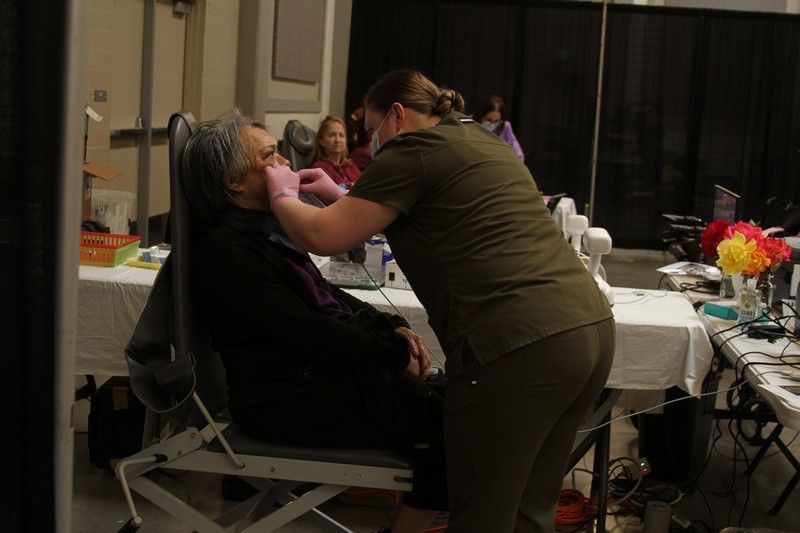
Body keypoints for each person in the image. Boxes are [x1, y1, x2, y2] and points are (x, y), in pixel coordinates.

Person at [264, 69, 615, 532]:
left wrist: (282, 195)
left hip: (519, 346)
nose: (371, 143)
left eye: (372, 131)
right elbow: (435, 210)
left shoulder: (410, 150)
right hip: (589, 332)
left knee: (481, 516)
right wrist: (343, 195)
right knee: (529, 510)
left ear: (397, 114)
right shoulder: (482, 141)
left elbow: (322, 236)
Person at [183, 114, 447, 533]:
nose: (286, 163)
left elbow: (324, 293)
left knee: (456, 403)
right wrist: (392, 353)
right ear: (234, 181)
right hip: (283, 401)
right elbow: (309, 332)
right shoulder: (229, 252)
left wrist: (390, 325)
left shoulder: (265, 228)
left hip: (312, 378)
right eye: (270, 156)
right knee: (450, 431)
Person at [311, 115, 361, 188]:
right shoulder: (318, 168)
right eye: (332, 135)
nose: (338, 140)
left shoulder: (350, 166)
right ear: (321, 141)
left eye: (341, 135)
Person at [472, 94, 525, 161]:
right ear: (480, 115)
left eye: (496, 121)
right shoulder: (467, 124)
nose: (492, 124)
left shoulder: (505, 127)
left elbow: (518, 155)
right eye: (488, 120)